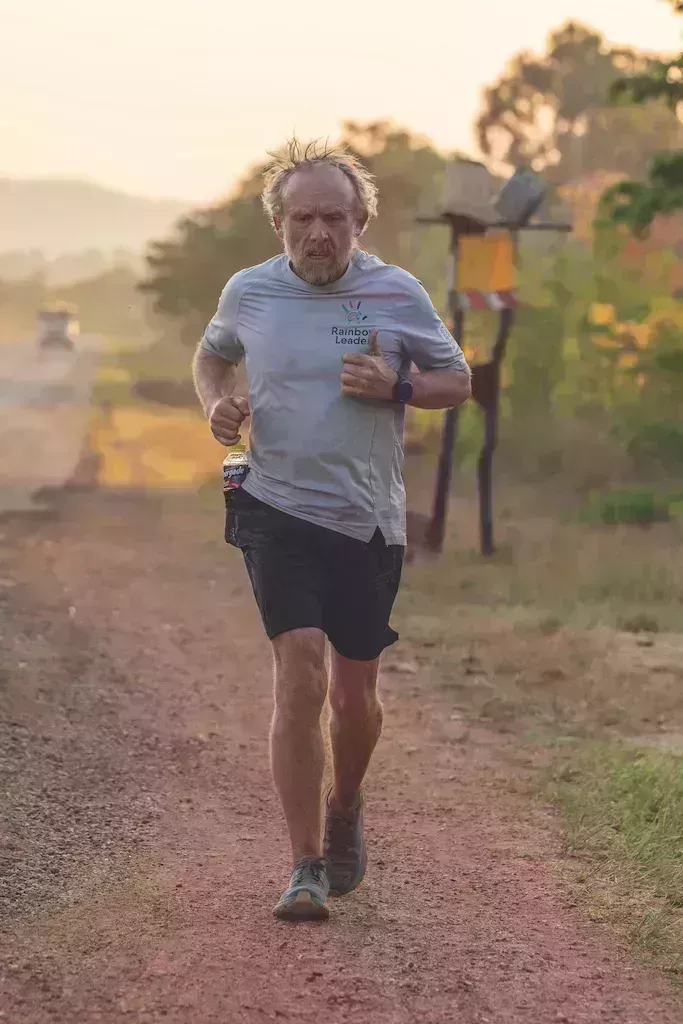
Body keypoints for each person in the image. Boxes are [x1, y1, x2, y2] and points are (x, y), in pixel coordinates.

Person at [193, 140, 471, 921]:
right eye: (303, 218)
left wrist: (402, 385)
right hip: (274, 505)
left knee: (355, 700)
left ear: (360, 222)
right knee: (301, 669)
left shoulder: (396, 294)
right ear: (278, 222)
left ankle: (345, 801)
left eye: (335, 219)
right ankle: (304, 865)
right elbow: (211, 358)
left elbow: (457, 380)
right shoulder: (249, 292)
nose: (318, 234)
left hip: (367, 519)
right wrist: (213, 403)